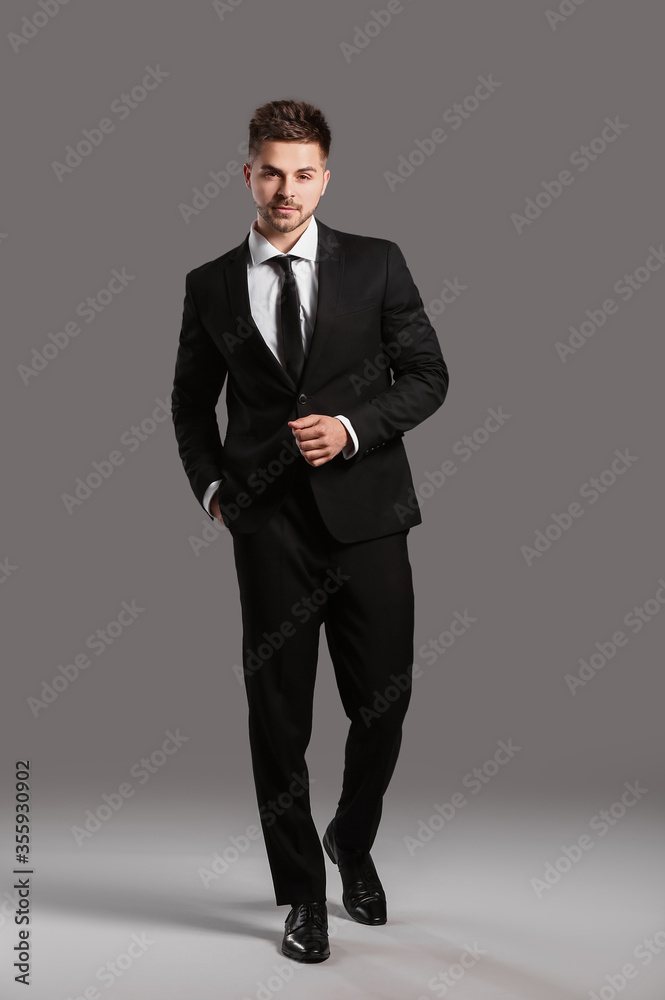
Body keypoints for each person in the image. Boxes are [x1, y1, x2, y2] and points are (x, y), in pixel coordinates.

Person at [171, 98, 448, 963]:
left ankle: (351, 841)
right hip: (269, 531)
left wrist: (355, 427)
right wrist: (215, 491)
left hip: (367, 522)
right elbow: (188, 404)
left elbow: (428, 375)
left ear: (324, 177)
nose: (285, 189)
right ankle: (302, 897)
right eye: (269, 172)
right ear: (246, 174)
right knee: (277, 716)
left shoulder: (376, 264)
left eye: (302, 174)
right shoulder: (209, 283)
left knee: (384, 702)